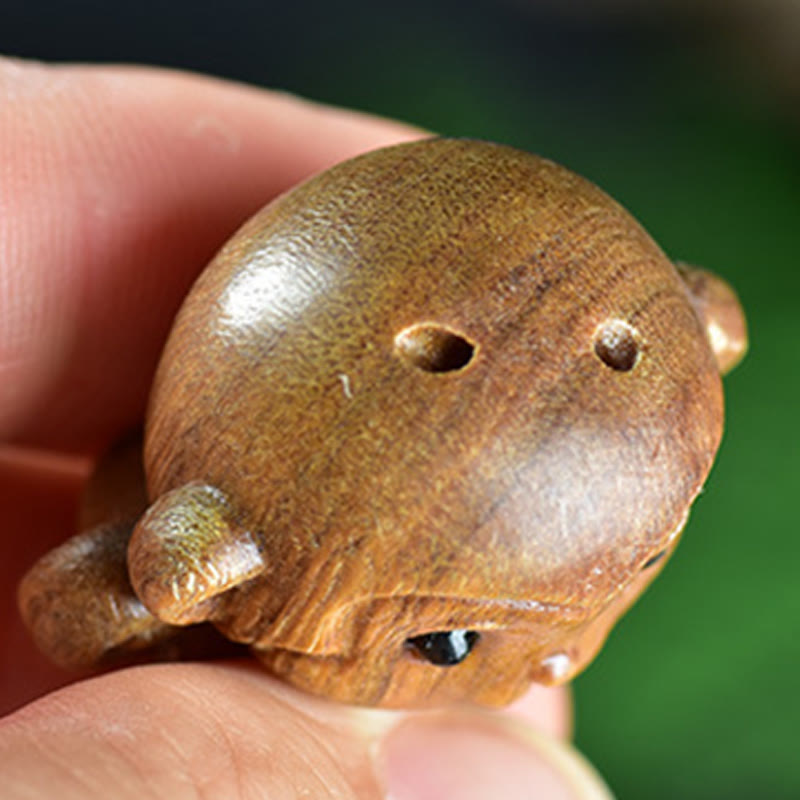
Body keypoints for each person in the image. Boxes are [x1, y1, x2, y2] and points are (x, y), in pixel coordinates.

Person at [0, 58, 612, 799]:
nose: (559, 666)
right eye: (444, 643)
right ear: (219, 554)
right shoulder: (188, 548)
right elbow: (70, 605)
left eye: (635, 568)